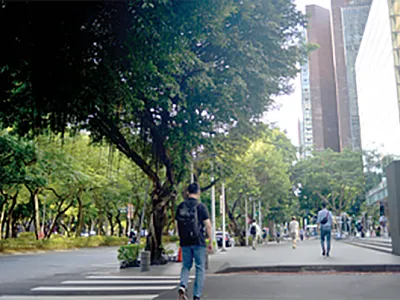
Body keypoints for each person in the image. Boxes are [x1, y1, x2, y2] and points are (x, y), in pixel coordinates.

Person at [176, 182, 213, 300]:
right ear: (198, 192)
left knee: (186, 266)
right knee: (200, 268)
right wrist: (210, 240)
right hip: (198, 242)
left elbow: (177, 225)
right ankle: (196, 296)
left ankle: (183, 285)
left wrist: (180, 238)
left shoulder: (181, 206)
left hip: (185, 242)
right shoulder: (201, 206)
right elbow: (208, 225)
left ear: (187, 192)